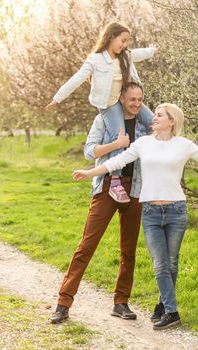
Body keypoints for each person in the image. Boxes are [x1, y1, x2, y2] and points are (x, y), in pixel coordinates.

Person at [72, 103, 198, 330]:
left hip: (176, 211)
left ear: (171, 121)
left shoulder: (183, 145)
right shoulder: (143, 143)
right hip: (151, 212)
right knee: (160, 264)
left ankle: (163, 306)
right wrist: (89, 172)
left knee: (171, 263)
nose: (153, 118)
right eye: (154, 114)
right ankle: (172, 312)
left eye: (159, 115)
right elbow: (116, 162)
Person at [50, 82, 152, 324]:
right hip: (107, 186)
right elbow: (89, 151)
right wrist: (116, 145)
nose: (136, 104)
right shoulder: (104, 119)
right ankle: (63, 303)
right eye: (132, 99)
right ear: (120, 98)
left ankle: (121, 302)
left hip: (135, 187)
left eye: (140, 99)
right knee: (87, 245)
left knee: (128, 251)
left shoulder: (144, 124)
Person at [46, 22, 157, 203]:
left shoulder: (125, 56)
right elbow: (77, 79)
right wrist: (57, 98)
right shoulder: (95, 59)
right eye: (122, 40)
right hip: (109, 105)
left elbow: (138, 54)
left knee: (154, 121)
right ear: (111, 37)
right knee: (120, 138)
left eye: (127, 41)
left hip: (123, 98)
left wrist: (152, 51)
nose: (124, 45)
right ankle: (115, 180)